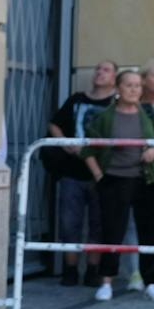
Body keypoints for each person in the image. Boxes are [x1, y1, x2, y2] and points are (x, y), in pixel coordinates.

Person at [83, 67, 154, 302]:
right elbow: (88, 149)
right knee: (113, 231)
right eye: (129, 85)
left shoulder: (150, 114)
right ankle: (106, 282)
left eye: (137, 86)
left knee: (150, 231)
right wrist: (99, 175)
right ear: (118, 89)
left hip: (147, 179)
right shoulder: (105, 117)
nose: (134, 89)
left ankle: (150, 282)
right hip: (114, 179)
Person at [46, 59, 118, 286]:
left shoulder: (116, 103)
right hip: (72, 172)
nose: (99, 72)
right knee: (69, 222)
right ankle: (70, 270)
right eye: (97, 68)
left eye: (106, 70)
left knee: (98, 224)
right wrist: (64, 143)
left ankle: (92, 270)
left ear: (115, 77)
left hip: (101, 173)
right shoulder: (77, 99)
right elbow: (54, 124)